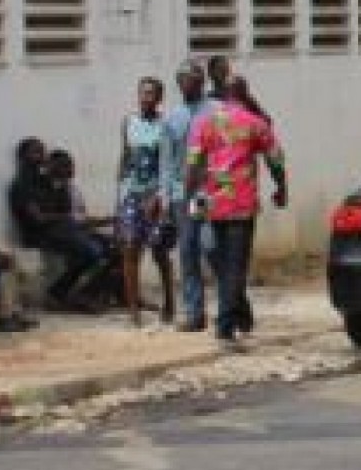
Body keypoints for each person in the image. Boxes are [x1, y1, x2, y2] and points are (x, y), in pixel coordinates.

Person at [185, 74, 287, 349]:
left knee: (222, 262)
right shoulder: (256, 123)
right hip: (242, 205)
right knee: (235, 266)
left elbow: (193, 163)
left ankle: (239, 314)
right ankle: (226, 323)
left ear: (223, 94)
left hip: (213, 203)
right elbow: (276, 159)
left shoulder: (205, 123)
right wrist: (282, 188)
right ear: (245, 93)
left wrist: (190, 196)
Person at [8, 140, 105, 310]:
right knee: (92, 251)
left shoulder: (49, 183)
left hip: (62, 231)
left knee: (112, 247)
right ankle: (57, 294)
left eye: (43, 152)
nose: (42, 156)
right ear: (22, 157)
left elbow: (66, 212)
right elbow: (38, 219)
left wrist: (62, 185)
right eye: (36, 152)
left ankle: (84, 294)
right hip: (40, 235)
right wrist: (65, 217)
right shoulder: (21, 185)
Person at [116, 77, 176, 327]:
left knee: (159, 251)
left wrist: (161, 195)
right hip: (131, 194)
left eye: (151, 93)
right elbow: (125, 156)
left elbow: (168, 163)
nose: (146, 97)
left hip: (155, 195)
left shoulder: (165, 125)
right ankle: (133, 309)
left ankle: (170, 302)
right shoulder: (128, 122)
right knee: (130, 248)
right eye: (142, 93)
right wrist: (120, 192)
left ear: (159, 98)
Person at [164, 61, 216, 333]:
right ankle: (195, 314)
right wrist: (165, 195)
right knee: (188, 252)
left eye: (191, 79)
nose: (186, 84)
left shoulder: (215, 111)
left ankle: (231, 308)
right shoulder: (173, 117)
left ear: (201, 81)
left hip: (206, 192)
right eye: (181, 79)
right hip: (181, 194)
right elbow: (167, 160)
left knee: (211, 247)